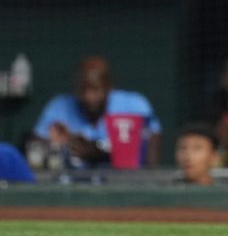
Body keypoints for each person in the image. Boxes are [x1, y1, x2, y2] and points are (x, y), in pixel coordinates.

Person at [31, 56, 161, 169]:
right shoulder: (59, 107)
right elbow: (35, 149)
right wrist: (63, 143)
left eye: (95, 89)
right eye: (82, 89)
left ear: (109, 87)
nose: (88, 97)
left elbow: (150, 161)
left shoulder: (134, 106)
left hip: (121, 186)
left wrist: (100, 154)